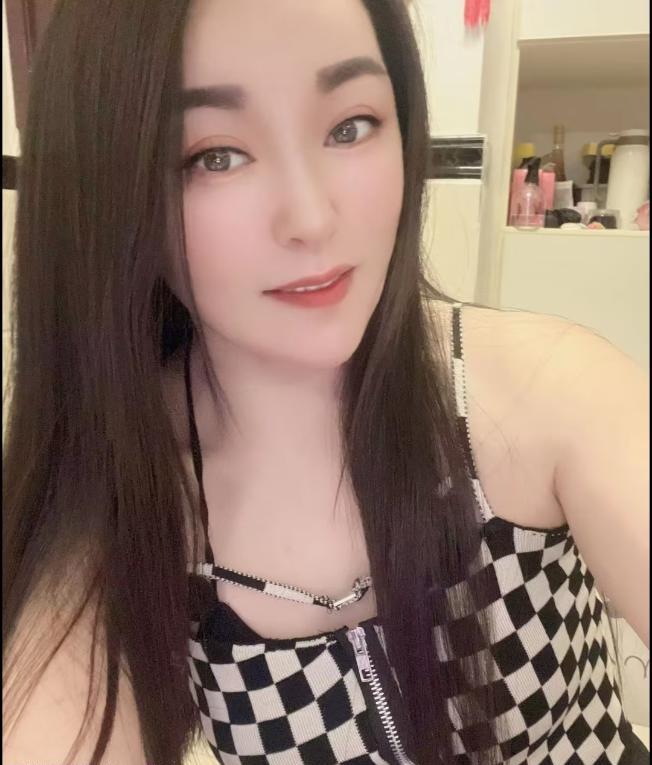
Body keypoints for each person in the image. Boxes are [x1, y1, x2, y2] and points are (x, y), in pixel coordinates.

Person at [3, 1, 648, 764]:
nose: (311, 218)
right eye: (214, 155)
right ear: (107, 192)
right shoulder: (122, 494)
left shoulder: (542, 389)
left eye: (350, 126)